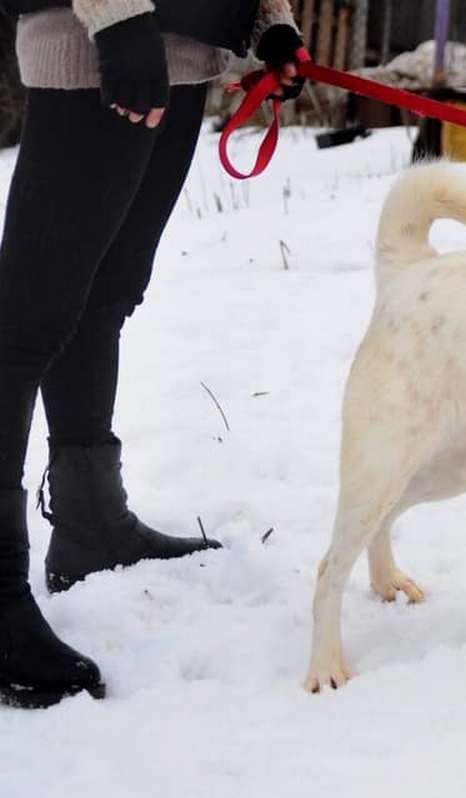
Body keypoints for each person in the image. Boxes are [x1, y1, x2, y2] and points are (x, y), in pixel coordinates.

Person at [0, 0, 306, 709]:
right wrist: (114, 13)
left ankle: (90, 522)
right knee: (23, 324)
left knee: (103, 297)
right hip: (100, 42)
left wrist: (268, 19)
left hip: (179, 49)